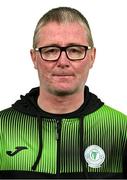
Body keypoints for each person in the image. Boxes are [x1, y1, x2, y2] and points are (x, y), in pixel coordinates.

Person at [0, 6, 127, 179]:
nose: (63, 61)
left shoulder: (119, 129)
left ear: (92, 56)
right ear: (34, 58)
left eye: (75, 50)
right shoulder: (4, 127)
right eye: (51, 50)